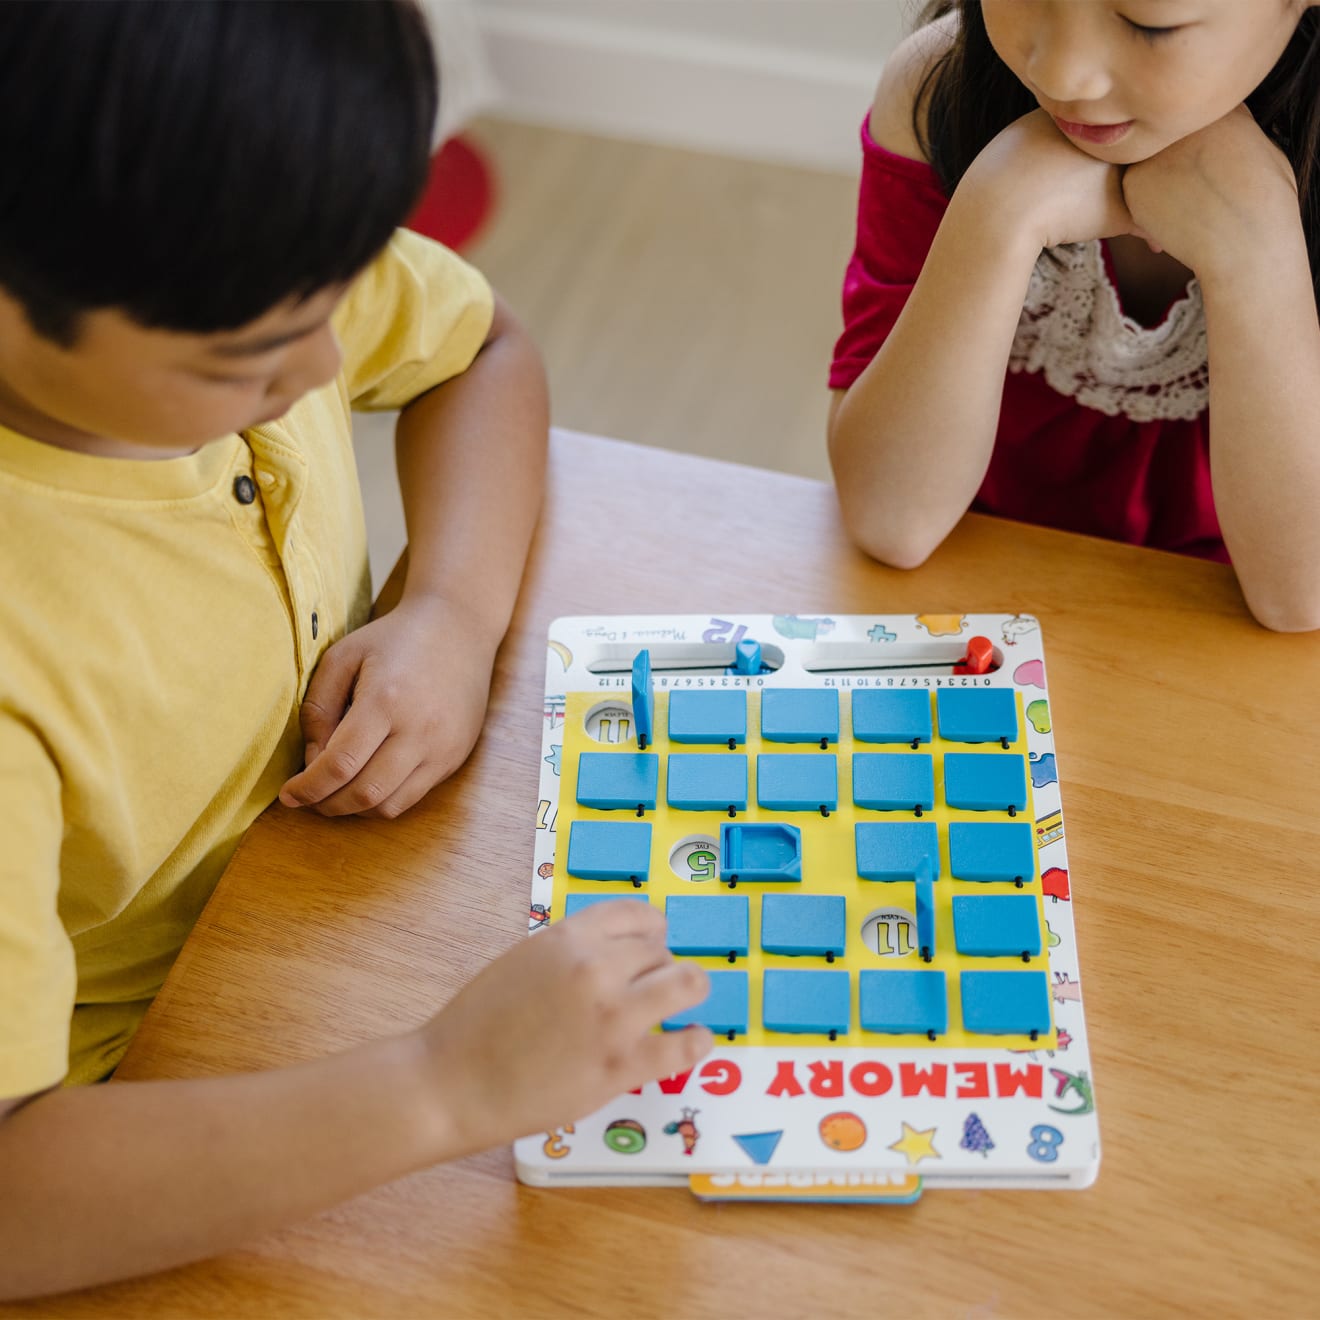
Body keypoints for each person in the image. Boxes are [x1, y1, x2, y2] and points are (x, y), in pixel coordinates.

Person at [0, 1, 710, 1298]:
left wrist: (452, 610)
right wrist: (444, 1086)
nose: (325, 363)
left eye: (335, 296)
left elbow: (481, 343)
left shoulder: (208, 241)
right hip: (116, 1130)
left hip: (304, 922)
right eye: (250, 353)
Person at [827, 0, 1320, 631]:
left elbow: (1299, 598)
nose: (1061, 75)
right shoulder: (939, 84)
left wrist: (1258, 257)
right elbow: (889, 519)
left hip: (1220, 623)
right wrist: (999, 211)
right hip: (973, 576)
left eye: (1148, 23)